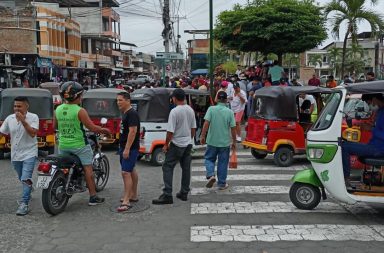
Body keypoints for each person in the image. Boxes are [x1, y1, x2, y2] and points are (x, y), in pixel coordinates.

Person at [55, 81, 111, 206]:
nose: (82, 98)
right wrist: (104, 130)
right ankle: (93, 197)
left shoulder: (58, 109)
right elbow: (92, 127)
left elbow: (55, 126)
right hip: (79, 146)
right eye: (81, 95)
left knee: (63, 167)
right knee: (88, 171)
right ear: (77, 96)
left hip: (63, 145)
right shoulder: (80, 111)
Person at [152, 89, 196, 204]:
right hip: (188, 143)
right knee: (186, 168)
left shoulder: (174, 111)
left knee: (167, 166)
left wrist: (166, 144)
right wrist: (189, 139)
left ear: (175, 98)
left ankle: (167, 194)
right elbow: (193, 129)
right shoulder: (190, 110)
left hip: (177, 143)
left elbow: (170, 131)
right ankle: (184, 192)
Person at [0, 97, 39, 216]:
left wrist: (23, 121)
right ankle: (28, 188)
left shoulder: (33, 117)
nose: (16, 108)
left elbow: (33, 133)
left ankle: (24, 204)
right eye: (15, 106)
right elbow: (2, 132)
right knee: (21, 176)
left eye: (19, 106)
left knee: (25, 177)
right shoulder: (9, 118)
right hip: (15, 154)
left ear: (27, 106)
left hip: (30, 153)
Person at [342, 93, 384, 184]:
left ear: (374, 99)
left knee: (345, 147)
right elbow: (378, 127)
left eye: (368, 103)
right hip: (373, 145)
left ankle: (345, 178)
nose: (369, 105)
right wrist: (368, 125)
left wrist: (371, 129)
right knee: (344, 143)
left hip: (379, 149)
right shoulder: (380, 111)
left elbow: (379, 132)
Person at [200, 91, 237, 190]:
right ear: (225, 100)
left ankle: (211, 175)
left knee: (209, 158)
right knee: (223, 163)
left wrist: (202, 136)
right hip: (224, 143)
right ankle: (221, 184)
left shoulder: (211, 109)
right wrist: (234, 141)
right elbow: (233, 128)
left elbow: (206, 124)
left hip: (212, 141)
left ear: (217, 99)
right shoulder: (229, 112)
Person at [115, 92, 141, 212]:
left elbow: (133, 132)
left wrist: (127, 148)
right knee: (131, 170)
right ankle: (133, 195)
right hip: (124, 146)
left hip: (130, 148)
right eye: (117, 100)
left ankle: (126, 200)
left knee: (125, 172)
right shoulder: (125, 113)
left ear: (128, 100)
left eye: (120, 100)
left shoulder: (132, 114)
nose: (118, 102)